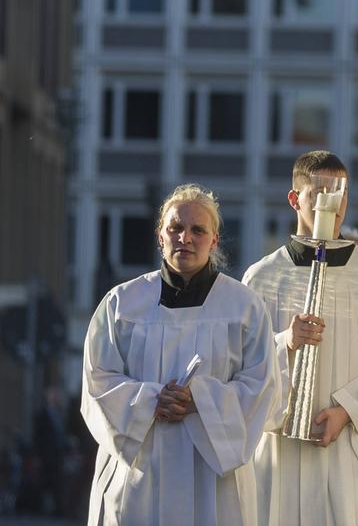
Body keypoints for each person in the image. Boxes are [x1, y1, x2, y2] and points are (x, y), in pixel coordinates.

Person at [81, 184, 281, 526]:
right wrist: (151, 401)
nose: (185, 237)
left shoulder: (244, 307)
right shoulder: (122, 303)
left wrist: (198, 400)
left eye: (197, 230)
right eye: (175, 228)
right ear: (161, 235)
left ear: (214, 240)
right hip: (141, 473)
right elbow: (97, 382)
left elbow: (263, 387)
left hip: (213, 481)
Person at [242, 151, 358, 526]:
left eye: (340, 192)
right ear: (295, 199)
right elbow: (239, 367)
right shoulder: (261, 278)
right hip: (279, 452)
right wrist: (286, 341)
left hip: (348, 448)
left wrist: (349, 410)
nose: (333, 201)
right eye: (320, 192)